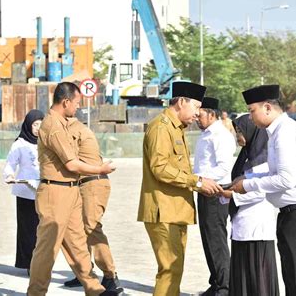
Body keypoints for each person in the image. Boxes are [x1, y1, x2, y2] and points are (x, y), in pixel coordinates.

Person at [27, 82, 116, 296]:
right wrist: (100, 169)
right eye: (76, 103)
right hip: (55, 194)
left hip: (70, 191)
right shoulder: (53, 126)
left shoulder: (63, 124)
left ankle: (95, 289)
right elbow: (71, 164)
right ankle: (35, 293)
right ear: (65, 102)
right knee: (47, 251)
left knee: (77, 244)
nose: (78, 107)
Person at [230, 85, 296, 295]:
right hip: (290, 214)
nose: (250, 118)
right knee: (292, 280)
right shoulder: (277, 131)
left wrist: (248, 184)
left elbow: (285, 179)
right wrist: (248, 177)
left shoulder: (285, 132)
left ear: (268, 108)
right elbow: (273, 172)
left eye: (252, 111)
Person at [137, 81, 223, 296]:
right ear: (181, 101)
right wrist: (198, 182)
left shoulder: (176, 128)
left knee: (175, 268)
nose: (197, 113)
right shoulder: (161, 127)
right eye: (195, 107)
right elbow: (160, 168)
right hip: (162, 210)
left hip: (175, 210)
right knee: (169, 269)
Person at [62, 119, 123, 294]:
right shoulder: (74, 130)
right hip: (86, 183)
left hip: (92, 183)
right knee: (79, 229)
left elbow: (69, 161)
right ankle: (84, 272)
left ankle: (111, 275)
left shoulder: (75, 131)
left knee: (91, 227)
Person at [220, 114, 279, 296]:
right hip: (241, 226)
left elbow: (261, 190)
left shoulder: (264, 160)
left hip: (258, 226)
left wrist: (232, 195)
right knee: (242, 275)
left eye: (241, 131)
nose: (238, 135)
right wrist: (226, 193)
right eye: (236, 131)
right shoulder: (246, 157)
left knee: (257, 277)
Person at [194, 97, 236, 296]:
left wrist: (203, 180)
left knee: (216, 240)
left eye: (200, 114)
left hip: (215, 191)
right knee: (208, 239)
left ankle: (225, 287)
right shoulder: (205, 134)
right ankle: (216, 281)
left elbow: (224, 168)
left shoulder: (220, 135)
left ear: (212, 114)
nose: (196, 118)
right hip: (203, 189)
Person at [3, 109, 44, 273]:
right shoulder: (19, 144)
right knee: (28, 229)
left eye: (41, 124)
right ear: (28, 125)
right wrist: (9, 175)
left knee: (43, 229)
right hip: (25, 191)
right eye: (35, 124)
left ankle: (42, 262)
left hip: (44, 189)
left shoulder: (47, 141)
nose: (38, 128)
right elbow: (10, 164)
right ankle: (29, 263)